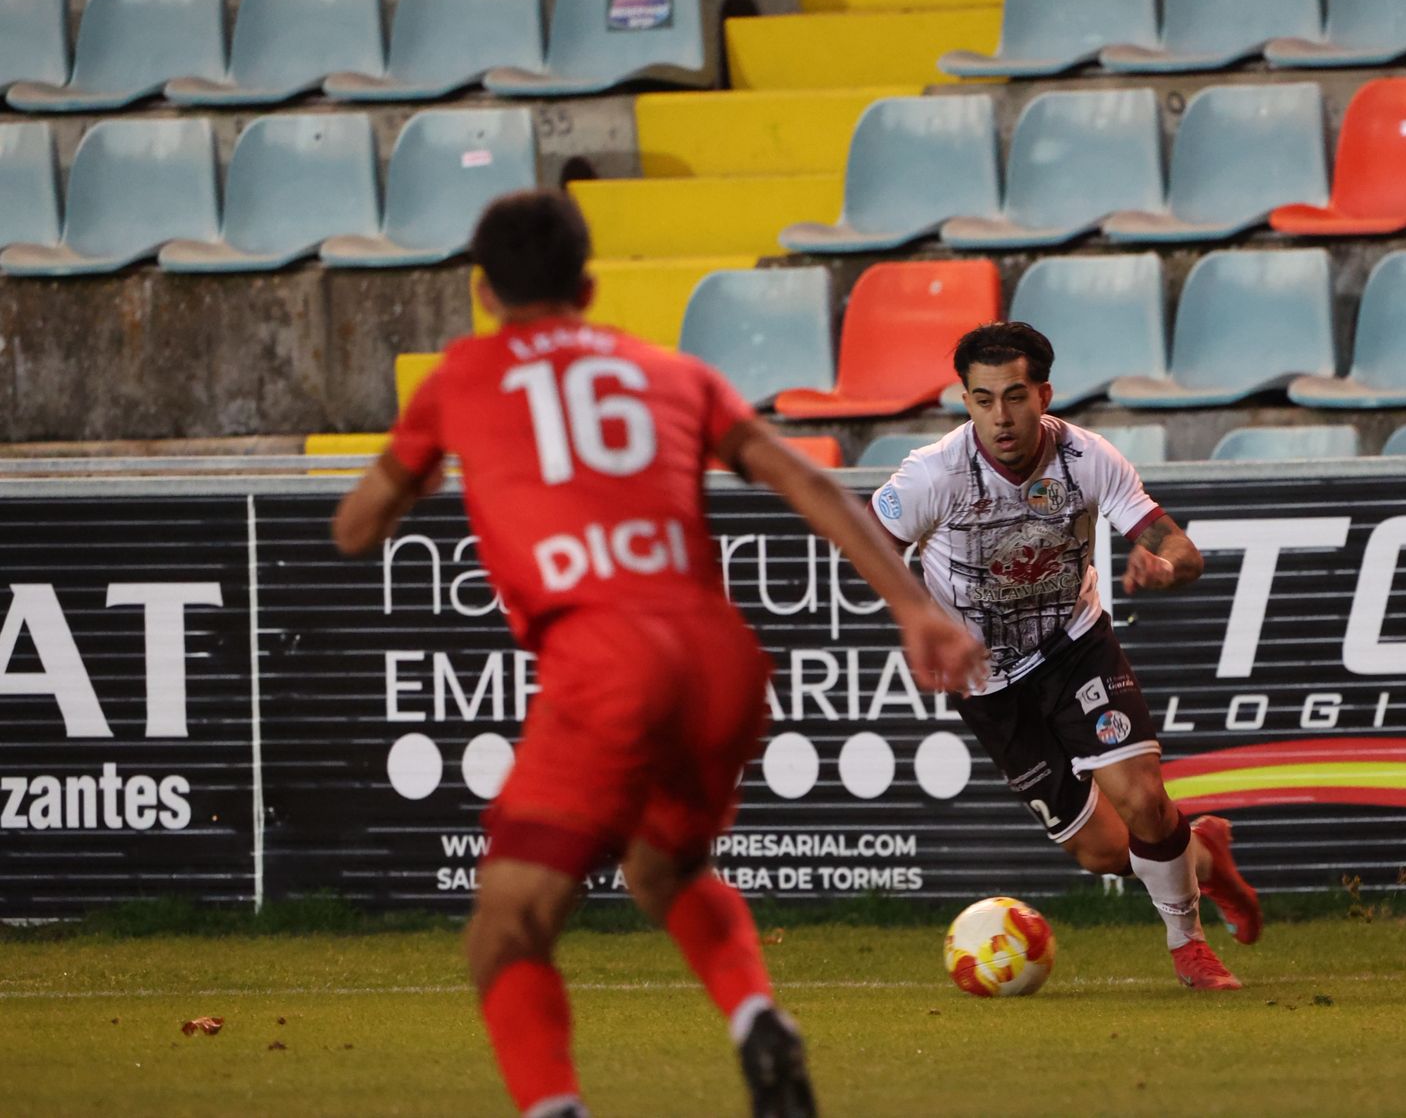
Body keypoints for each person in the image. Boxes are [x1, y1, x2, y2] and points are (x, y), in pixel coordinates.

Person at [332, 191, 984, 1118]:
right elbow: (798, 475)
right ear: (589, 286)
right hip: (718, 656)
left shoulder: (460, 377)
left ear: (482, 293)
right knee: (662, 868)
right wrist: (913, 608)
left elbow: (355, 528)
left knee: (508, 930)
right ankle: (757, 1014)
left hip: (604, 658)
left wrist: (419, 474)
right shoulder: (671, 372)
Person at [869, 322, 1262, 991]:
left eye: (1016, 396)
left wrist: (1167, 569)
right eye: (983, 398)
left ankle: (1188, 946)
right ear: (964, 400)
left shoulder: (1088, 460)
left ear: (1044, 393)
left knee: (1142, 799)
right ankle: (1206, 860)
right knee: (1107, 851)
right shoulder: (934, 475)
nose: (1001, 416)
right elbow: (867, 543)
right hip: (987, 681)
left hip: (1074, 647)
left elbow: (1183, 551)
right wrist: (917, 618)